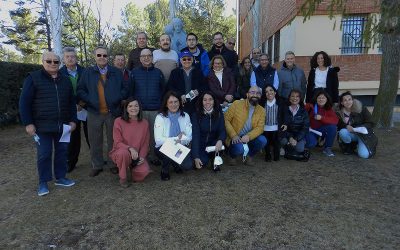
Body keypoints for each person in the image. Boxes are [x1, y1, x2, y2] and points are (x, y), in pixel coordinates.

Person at [19, 51, 77, 196]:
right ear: (43, 62)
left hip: (62, 125)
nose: (52, 64)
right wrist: (28, 123)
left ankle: (61, 177)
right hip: (42, 126)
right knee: (44, 154)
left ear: (59, 63)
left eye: (55, 62)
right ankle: (43, 182)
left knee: (62, 152)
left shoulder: (65, 80)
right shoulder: (33, 78)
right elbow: (24, 102)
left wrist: (73, 120)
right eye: (49, 61)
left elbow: (71, 102)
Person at [77, 45, 129, 177]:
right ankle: (97, 165)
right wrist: (90, 100)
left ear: (108, 57)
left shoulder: (116, 72)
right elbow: (80, 90)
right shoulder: (87, 72)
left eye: (104, 55)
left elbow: (125, 89)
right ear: (95, 57)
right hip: (94, 112)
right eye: (99, 55)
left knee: (114, 140)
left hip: (112, 112)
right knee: (95, 140)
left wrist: (117, 98)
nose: (102, 57)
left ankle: (113, 163)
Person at [130, 49, 165, 165]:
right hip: (139, 111)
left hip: (155, 110)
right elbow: (131, 91)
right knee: (140, 136)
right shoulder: (134, 72)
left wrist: (161, 106)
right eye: (143, 56)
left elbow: (163, 90)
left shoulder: (158, 72)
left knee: (154, 135)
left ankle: (153, 156)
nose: (146, 58)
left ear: (152, 57)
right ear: (140, 58)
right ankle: (139, 157)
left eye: (149, 56)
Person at [109, 97, 150, 187]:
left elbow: (145, 143)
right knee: (123, 154)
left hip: (137, 155)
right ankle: (123, 178)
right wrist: (130, 148)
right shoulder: (118, 121)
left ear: (139, 108)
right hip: (121, 152)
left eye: (136, 106)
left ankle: (131, 168)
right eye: (130, 106)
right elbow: (117, 142)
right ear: (126, 108)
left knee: (143, 172)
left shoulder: (144, 123)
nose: (133, 108)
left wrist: (142, 156)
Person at [59, 46, 88, 173]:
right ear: (63, 59)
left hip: (86, 107)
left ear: (76, 58)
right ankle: (71, 162)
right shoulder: (59, 73)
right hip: (69, 110)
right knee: (72, 138)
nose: (70, 59)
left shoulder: (85, 71)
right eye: (67, 57)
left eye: (73, 56)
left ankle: (96, 160)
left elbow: (90, 89)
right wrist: (73, 106)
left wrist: (82, 103)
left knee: (91, 135)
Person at [154, 91, 193, 181]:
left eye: (176, 102)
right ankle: (165, 170)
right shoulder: (160, 117)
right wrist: (177, 139)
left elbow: (189, 137)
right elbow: (158, 140)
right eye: (170, 102)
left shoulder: (185, 116)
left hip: (180, 147)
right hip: (162, 149)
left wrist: (181, 140)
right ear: (166, 104)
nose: (174, 104)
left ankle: (175, 163)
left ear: (180, 102)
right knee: (169, 149)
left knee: (188, 166)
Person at [224, 86, 267, 166]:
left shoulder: (262, 110)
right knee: (239, 149)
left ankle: (249, 156)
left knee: (263, 140)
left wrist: (248, 136)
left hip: (249, 137)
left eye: (257, 93)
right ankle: (232, 156)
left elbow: (260, 128)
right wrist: (233, 135)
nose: (255, 95)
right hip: (235, 136)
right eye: (252, 92)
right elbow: (226, 120)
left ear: (260, 96)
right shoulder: (237, 104)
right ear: (247, 94)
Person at [336, 91, 377, 159]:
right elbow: (338, 124)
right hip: (350, 134)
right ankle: (350, 146)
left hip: (362, 135)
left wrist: (360, 127)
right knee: (342, 132)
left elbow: (371, 122)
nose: (348, 102)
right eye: (345, 100)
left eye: (349, 99)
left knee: (364, 155)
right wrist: (346, 126)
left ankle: (361, 145)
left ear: (353, 100)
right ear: (342, 103)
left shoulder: (361, 109)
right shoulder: (339, 113)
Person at [191, 91, 226, 171]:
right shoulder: (196, 115)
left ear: (214, 101)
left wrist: (220, 140)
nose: (208, 102)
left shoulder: (219, 114)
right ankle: (205, 158)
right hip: (201, 144)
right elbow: (195, 135)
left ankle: (214, 159)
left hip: (213, 143)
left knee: (220, 144)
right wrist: (196, 157)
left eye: (210, 99)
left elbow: (222, 130)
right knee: (203, 162)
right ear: (201, 101)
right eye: (205, 100)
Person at [305, 90, 338, 157]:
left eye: (323, 98)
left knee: (332, 127)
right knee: (311, 144)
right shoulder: (309, 106)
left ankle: (327, 148)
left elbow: (335, 120)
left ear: (326, 99)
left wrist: (322, 118)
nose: (321, 99)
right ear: (316, 99)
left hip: (321, 130)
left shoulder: (329, 109)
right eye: (319, 98)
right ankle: (304, 143)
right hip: (310, 130)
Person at [280, 89, 310, 161]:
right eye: (292, 96)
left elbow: (305, 127)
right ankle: (284, 146)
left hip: (298, 135)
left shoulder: (303, 111)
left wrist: (296, 139)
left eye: (297, 96)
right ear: (289, 97)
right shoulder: (284, 109)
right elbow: (281, 126)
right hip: (286, 135)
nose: (294, 98)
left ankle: (290, 146)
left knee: (300, 149)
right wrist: (290, 137)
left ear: (300, 98)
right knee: (282, 141)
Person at [263, 86, 283, 162]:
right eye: (266, 91)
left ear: (275, 92)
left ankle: (276, 155)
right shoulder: (263, 103)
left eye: (271, 90)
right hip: (265, 127)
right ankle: (268, 155)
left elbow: (284, 114)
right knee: (267, 143)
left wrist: (284, 123)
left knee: (276, 143)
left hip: (276, 127)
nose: (269, 93)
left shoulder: (280, 102)